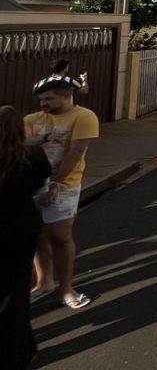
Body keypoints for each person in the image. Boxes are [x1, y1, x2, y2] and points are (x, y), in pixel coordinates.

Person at [23, 76, 97, 309]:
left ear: (66, 96)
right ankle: (44, 282)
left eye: (49, 99)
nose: (43, 104)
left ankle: (66, 288)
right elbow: (19, 144)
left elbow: (75, 152)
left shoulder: (83, 117)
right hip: (31, 183)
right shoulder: (32, 119)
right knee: (37, 235)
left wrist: (55, 183)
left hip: (66, 184)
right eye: (41, 99)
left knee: (59, 236)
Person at [0, 105, 52, 370]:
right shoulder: (32, 155)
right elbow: (40, 187)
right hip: (21, 225)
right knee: (17, 287)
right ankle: (19, 350)